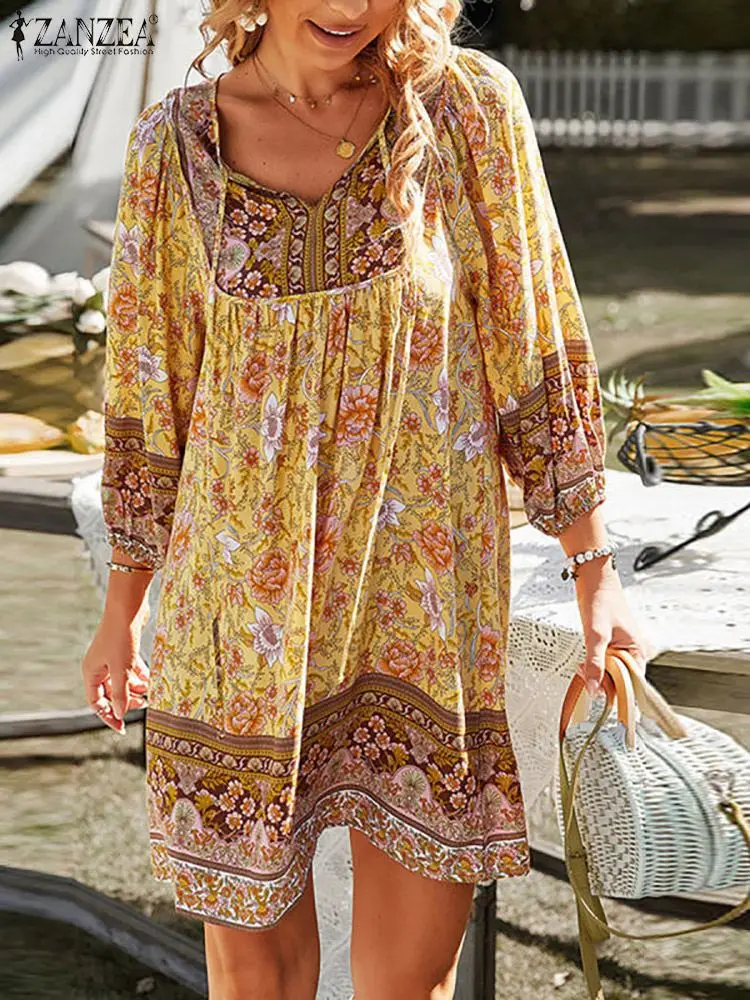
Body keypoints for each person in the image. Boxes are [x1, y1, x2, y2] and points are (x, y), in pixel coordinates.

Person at [81, 1, 649, 997]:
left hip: (420, 602)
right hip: (240, 619)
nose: (350, 5)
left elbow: (534, 339)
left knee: (407, 983)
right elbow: (148, 386)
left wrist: (594, 570)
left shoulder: (466, 109)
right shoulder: (176, 145)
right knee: (254, 973)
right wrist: (122, 608)